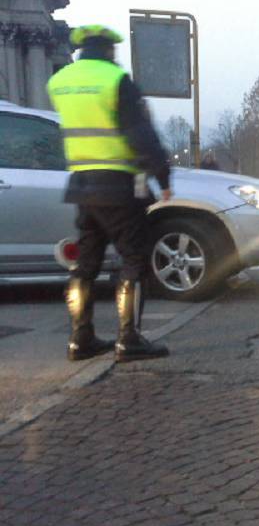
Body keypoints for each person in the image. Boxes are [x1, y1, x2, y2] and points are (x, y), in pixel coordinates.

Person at [48, 25, 171, 363]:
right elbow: (140, 134)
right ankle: (129, 338)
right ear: (108, 50)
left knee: (85, 264)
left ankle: (80, 338)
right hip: (119, 184)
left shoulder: (60, 82)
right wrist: (162, 175)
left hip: (82, 184)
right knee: (133, 258)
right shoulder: (115, 80)